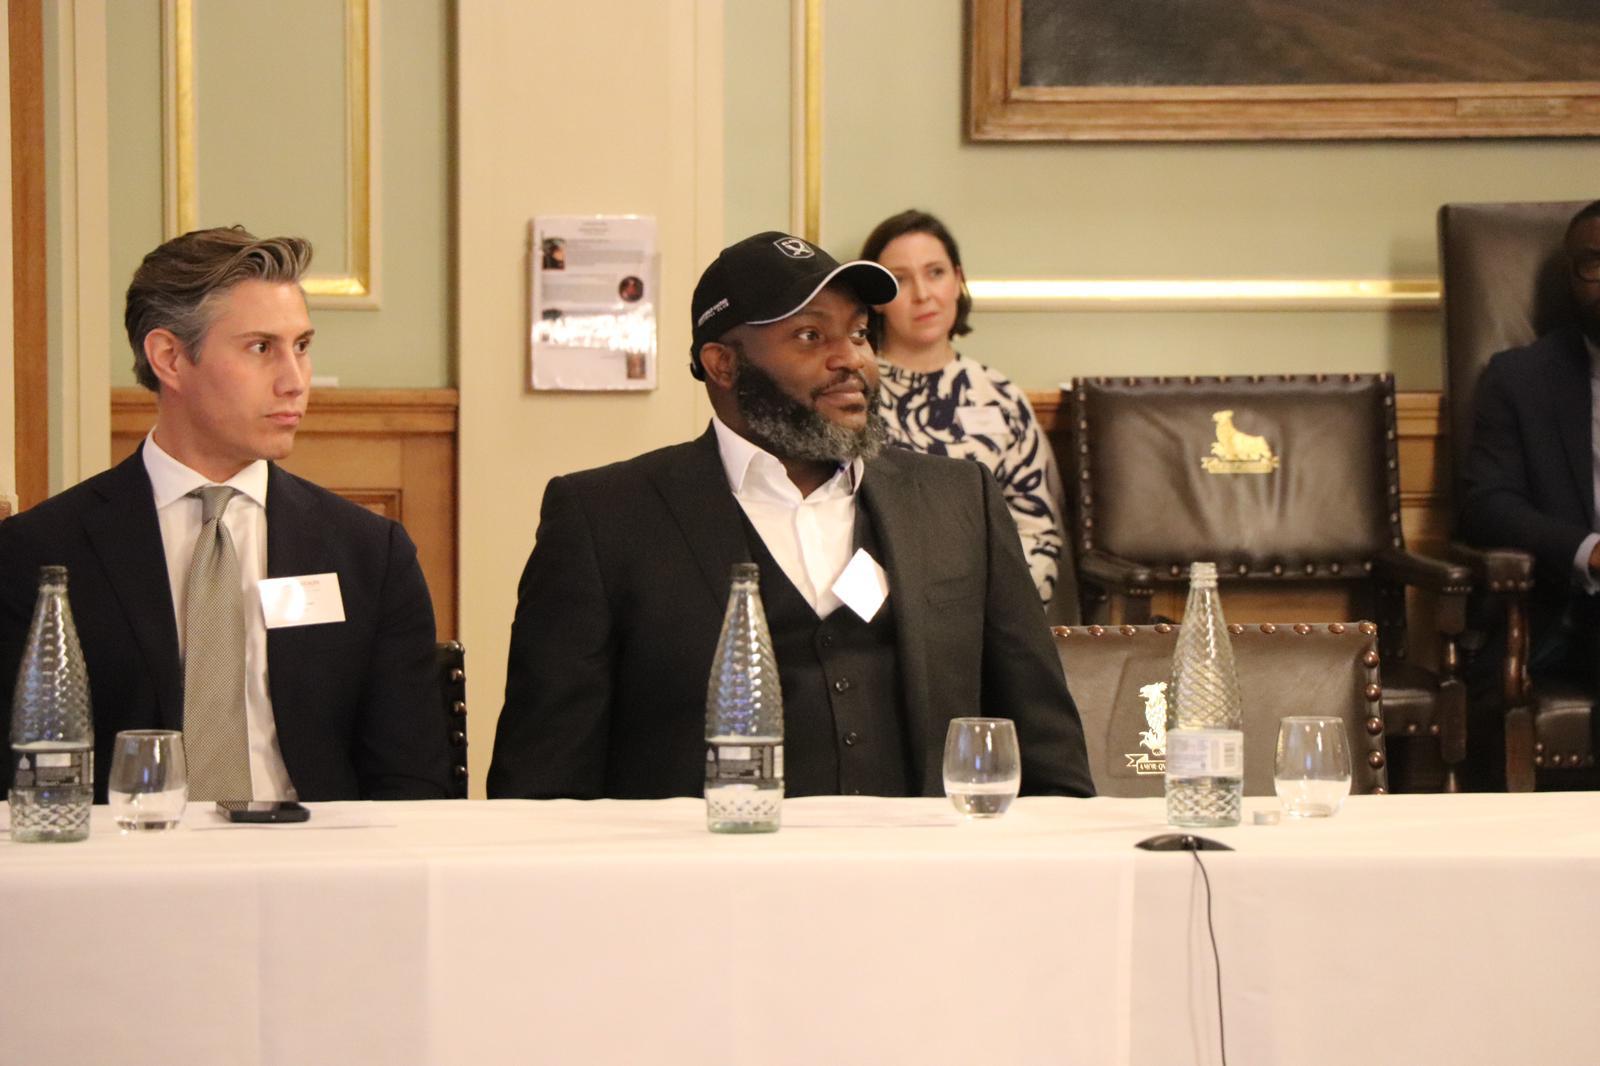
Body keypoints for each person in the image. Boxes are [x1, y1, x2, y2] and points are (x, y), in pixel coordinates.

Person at [488, 230, 1094, 800]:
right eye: (810, 336)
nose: (850, 359)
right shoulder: (604, 518)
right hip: (698, 891)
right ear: (723, 364)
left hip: (921, 880)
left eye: (858, 334)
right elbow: (543, 777)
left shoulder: (959, 500)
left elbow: (1044, 741)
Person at [0, 226, 452, 802]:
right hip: (127, 868)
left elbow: (411, 783)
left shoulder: (370, 552)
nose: (295, 381)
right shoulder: (40, 552)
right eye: (261, 348)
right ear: (168, 357)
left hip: (319, 865)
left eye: (303, 346)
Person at [860, 209, 1073, 618]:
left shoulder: (1000, 398)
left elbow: (1036, 530)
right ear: (877, 301)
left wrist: (999, 619)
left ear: (957, 280)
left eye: (935, 272)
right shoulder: (849, 393)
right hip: (878, 618)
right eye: (900, 280)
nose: (922, 294)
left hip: (988, 617)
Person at [1460, 199, 1600, 769]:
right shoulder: (1520, 379)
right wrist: (1589, 554)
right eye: (1595, 262)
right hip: (1564, 606)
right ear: (1570, 277)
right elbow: (1488, 504)